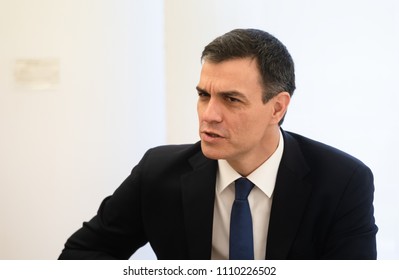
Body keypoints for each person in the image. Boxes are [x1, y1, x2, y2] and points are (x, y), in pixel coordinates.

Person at [59, 28, 377, 260]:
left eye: (231, 99)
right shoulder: (157, 173)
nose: (209, 115)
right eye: (203, 95)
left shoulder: (342, 181)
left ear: (277, 107)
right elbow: (82, 255)